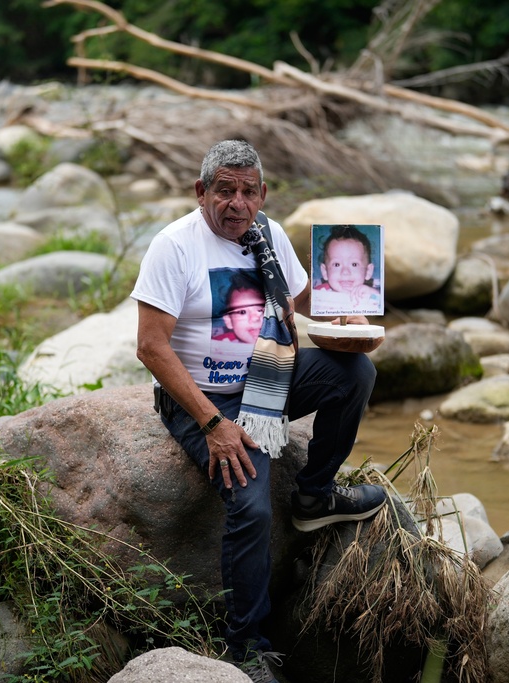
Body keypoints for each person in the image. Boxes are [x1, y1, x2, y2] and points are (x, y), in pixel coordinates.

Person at [132, 139, 387, 683]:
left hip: (269, 375)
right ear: (202, 192)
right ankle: (246, 646)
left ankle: (316, 495)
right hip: (206, 399)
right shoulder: (174, 246)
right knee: (251, 508)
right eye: (224, 190)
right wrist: (213, 424)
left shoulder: (268, 235)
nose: (237, 203)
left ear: (262, 194)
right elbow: (151, 346)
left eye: (248, 191)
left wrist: (350, 322)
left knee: (356, 373)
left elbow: (308, 297)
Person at [312, 224, 382, 313]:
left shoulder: (369, 294)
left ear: (368, 271)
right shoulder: (319, 294)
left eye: (354, 264)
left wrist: (374, 293)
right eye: (337, 264)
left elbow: (380, 305)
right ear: (325, 271)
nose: (345, 272)